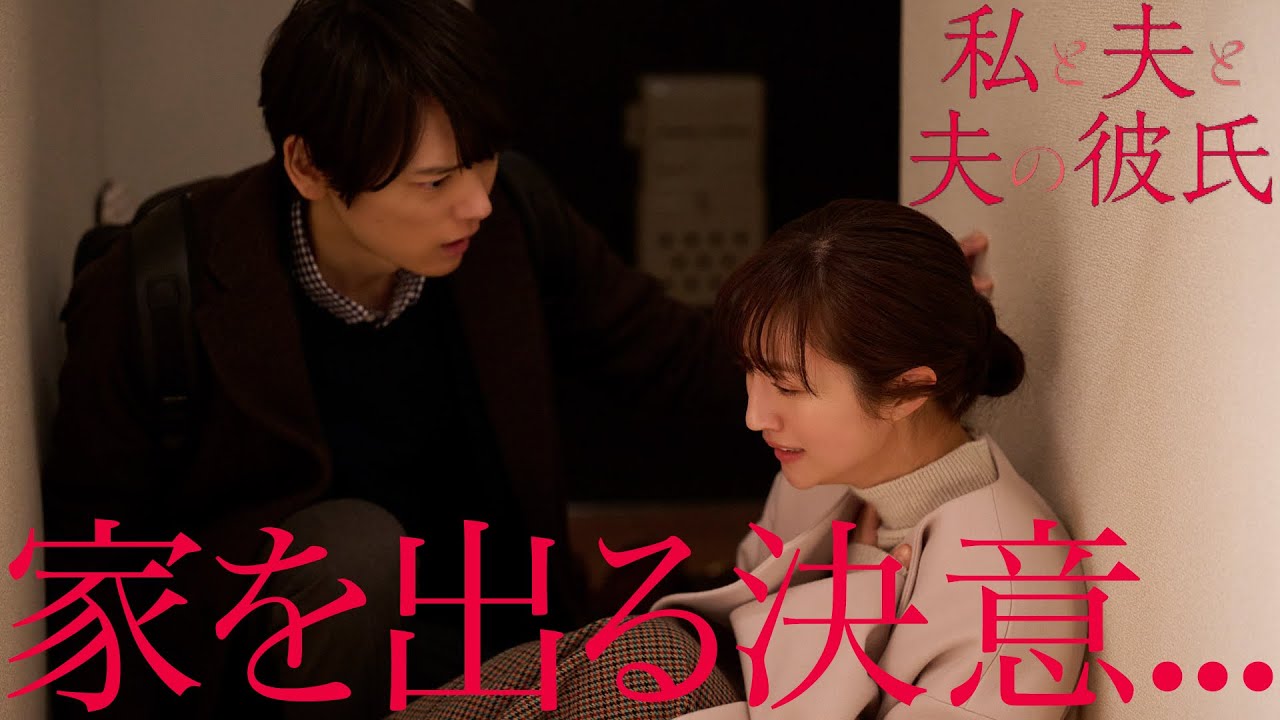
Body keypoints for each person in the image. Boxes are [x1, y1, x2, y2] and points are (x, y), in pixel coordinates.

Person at [38, 2, 993, 719]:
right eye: (434, 181)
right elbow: (92, 564)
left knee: (676, 660)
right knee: (357, 555)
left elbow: (672, 357)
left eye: (483, 159)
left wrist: (879, 323)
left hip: (480, 633)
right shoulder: (159, 284)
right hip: (278, 659)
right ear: (310, 168)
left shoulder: (509, 223)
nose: (476, 202)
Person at [391, 198, 1081, 720]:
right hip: (683, 671)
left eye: (787, 386)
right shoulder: (831, 470)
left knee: (653, 660)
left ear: (907, 391)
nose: (755, 416)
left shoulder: (1011, 592)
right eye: (751, 371)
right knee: (637, 655)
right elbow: (751, 597)